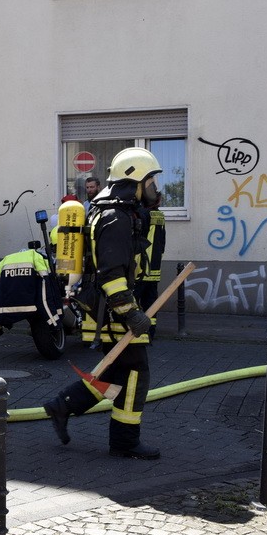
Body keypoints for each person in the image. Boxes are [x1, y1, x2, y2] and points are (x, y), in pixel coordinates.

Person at [43, 147, 164, 459]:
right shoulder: (115, 218)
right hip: (113, 311)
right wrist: (131, 313)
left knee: (118, 374)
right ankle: (124, 441)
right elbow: (110, 274)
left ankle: (63, 405)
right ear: (134, 179)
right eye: (150, 179)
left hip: (108, 309)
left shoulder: (117, 212)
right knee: (136, 373)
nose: (154, 186)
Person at [134, 194, 166, 339]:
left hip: (142, 266)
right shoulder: (160, 215)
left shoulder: (141, 214)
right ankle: (151, 331)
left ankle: (135, 330)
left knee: (134, 301)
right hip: (155, 265)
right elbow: (163, 242)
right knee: (151, 302)